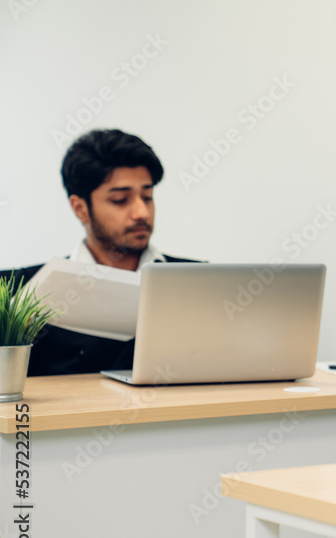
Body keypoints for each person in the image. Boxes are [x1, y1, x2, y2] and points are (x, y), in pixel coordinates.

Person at [0, 128, 198, 376]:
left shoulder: (199, 283)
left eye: (147, 196)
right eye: (120, 200)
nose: (142, 213)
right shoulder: (18, 293)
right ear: (80, 208)